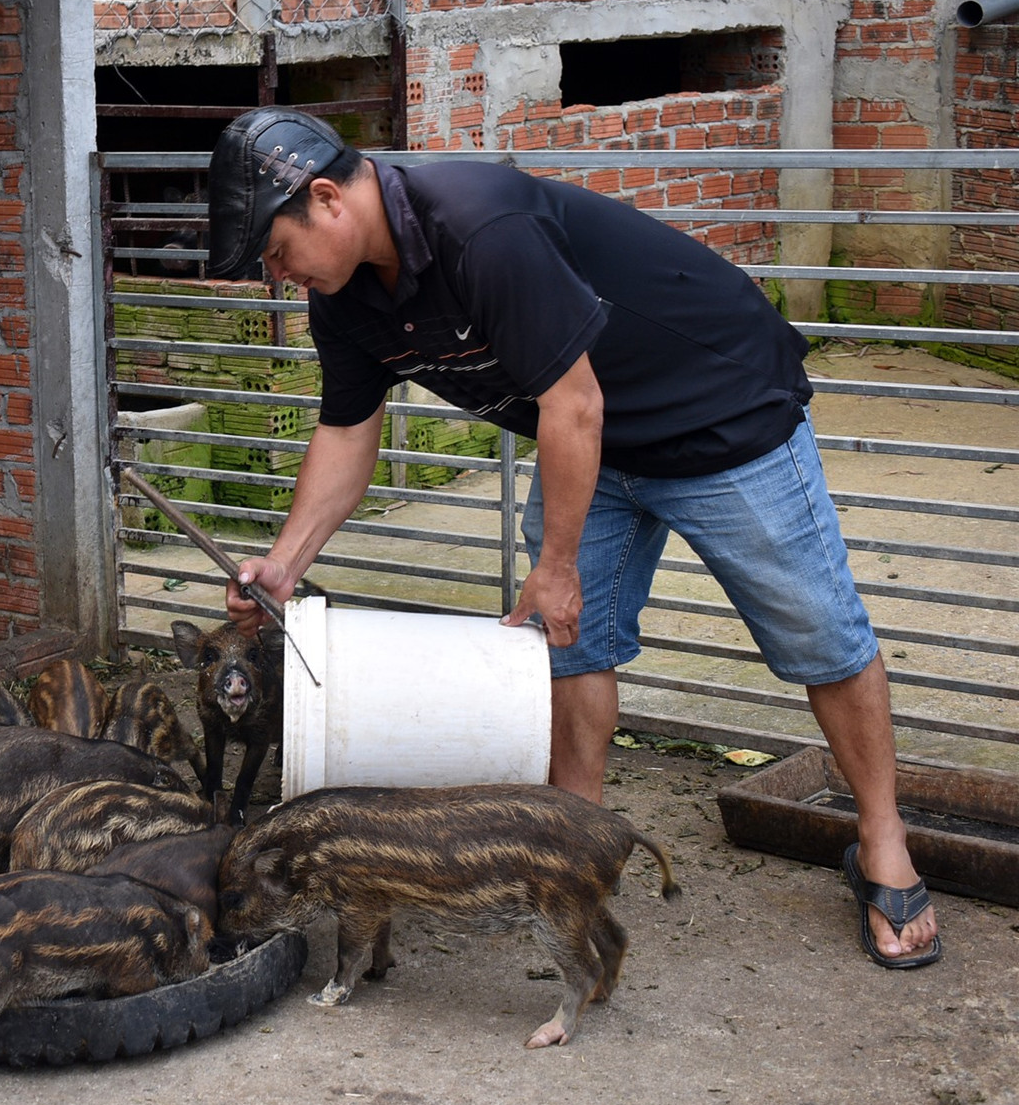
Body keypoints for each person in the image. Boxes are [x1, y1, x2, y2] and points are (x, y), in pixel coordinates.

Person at [203, 105, 941, 969]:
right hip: (589, 443)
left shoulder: (480, 226)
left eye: (277, 253)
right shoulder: (345, 299)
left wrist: (555, 564)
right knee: (569, 646)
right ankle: (573, 852)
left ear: (325, 198)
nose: (281, 274)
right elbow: (346, 432)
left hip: (722, 417)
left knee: (820, 634)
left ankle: (884, 841)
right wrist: (284, 565)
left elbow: (574, 401)